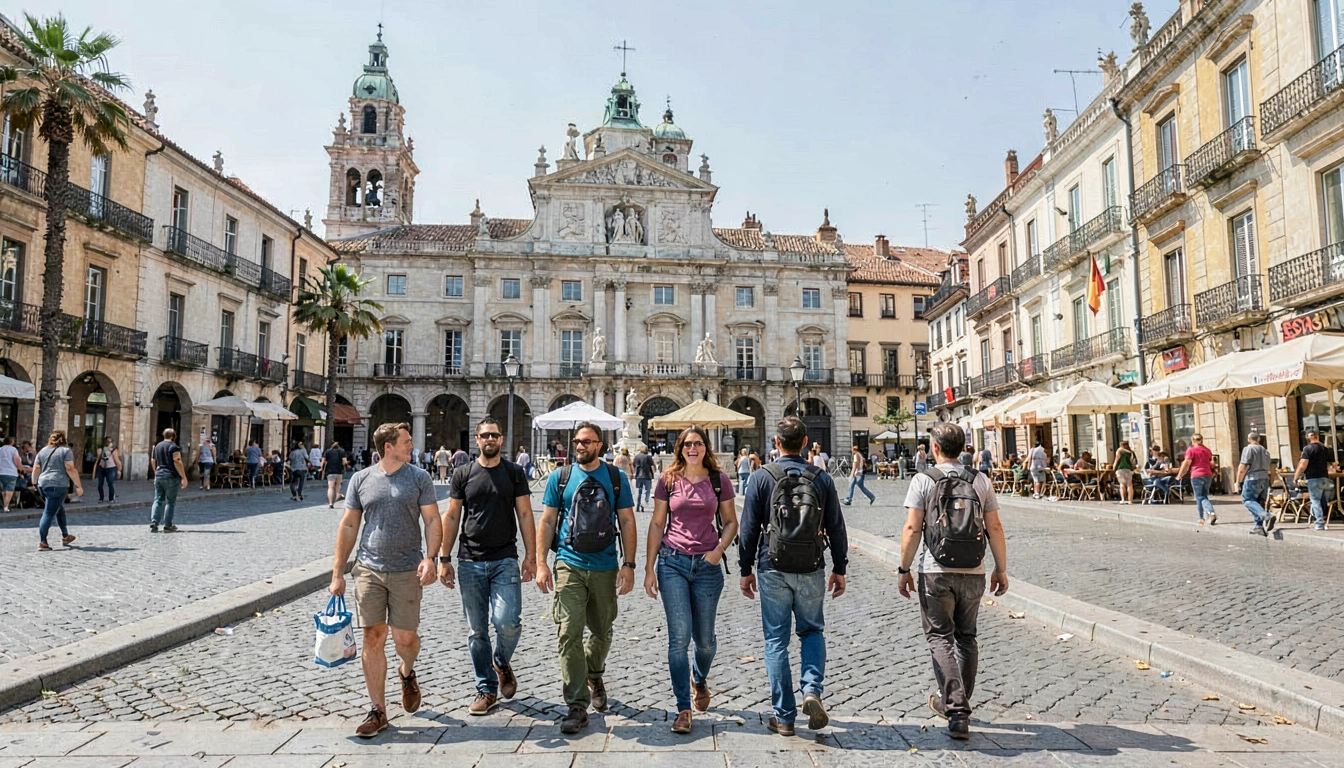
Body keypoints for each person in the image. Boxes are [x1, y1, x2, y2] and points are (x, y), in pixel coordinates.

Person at [329, 421, 442, 739]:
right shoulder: (362, 479)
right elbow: (349, 525)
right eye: (406, 441)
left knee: (405, 639)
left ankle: (407, 672)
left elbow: (432, 519)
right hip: (368, 570)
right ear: (388, 446)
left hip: (407, 569)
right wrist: (338, 572)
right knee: (373, 637)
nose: (412, 445)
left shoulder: (419, 478)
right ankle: (378, 710)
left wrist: (430, 557)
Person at [896, 422, 1008, 741]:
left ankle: (956, 708)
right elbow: (995, 528)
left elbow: (912, 529)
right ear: (963, 449)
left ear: (934, 448)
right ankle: (959, 702)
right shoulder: (980, 479)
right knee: (967, 637)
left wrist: (903, 569)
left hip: (935, 569)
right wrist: (1001, 568)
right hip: (974, 569)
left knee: (939, 637)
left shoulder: (923, 480)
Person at [738, 416, 848, 737]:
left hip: (772, 565)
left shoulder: (761, 477)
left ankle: (784, 717)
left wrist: (745, 570)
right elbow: (837, 527)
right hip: (812, 564)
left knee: (776, 640)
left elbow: (748, 529)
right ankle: (812, 690)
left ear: (776, 443)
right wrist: (839, 567)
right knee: (812, 631)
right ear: (804, 443)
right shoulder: (822, 478)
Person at [536, 421, 637, 735]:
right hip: (569, 563)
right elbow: (548, 520)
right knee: (569, 631)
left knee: (602, 629)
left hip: (606, 565)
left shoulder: (616, 478)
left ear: (600, 446)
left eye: (587, 442)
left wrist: (629, 564)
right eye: (577, 441)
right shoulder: (560, 477)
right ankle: (576, 705)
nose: (580, 446)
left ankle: (594, 671)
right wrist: (541, 562)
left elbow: (628, 521)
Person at [644, 426, 738, 734]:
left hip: (708, 567)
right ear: (680, 448)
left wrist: (719, 549)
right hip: (672, 563)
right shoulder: (668, 480)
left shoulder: (718, 480)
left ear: (705, 447)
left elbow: (730, 522)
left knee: (705, 642)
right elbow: (658, 524)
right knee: (678, 639)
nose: (692, 448)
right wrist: (648, 567)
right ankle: (683, 707)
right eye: (687, 444)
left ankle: (699, 678)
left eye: (697, 443)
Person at [440, 417, 536, 715]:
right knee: (476, 630)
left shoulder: (514, 472)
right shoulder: (463, 473)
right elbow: (453, 516)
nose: (490, 439)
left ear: (501, 438)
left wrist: (531, 555)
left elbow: (524, 513)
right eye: (484, 435)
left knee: (508, 622)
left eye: (494, 435)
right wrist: (443, 558)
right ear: (477, 440)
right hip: (469, 560)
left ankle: (501, 661)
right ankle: (486, 688)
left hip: (505, 558)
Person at [34, 430, 82, 550]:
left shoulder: (43, 451)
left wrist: (34, 483)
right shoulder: (65, 451)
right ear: (63, 439)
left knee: (59, 509)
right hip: (58, 485)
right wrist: (78, 486)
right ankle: (43, 541)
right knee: (49, 513)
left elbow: (36, 468)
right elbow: (70, 468)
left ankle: (66, 535)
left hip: (43, 484)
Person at [1236, 432, 1275, 536]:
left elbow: (1243, 466)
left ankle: (1267, 516)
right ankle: (1259, 527)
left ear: (1249, 439)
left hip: (1252, 478)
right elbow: (1271, 467)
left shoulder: (1248, 449)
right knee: (1258, 503)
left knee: (1248, 500)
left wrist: (1238, 481)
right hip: (1264, 478)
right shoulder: (1265, 451)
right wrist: (1271, 481)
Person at [1293, 430, 1332, 531]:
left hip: (1313, 478)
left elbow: (1302, 464)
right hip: (1325, 478)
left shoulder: (1308, 449)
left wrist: (1296, 477)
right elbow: (1331, 464)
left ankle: (1319, 523)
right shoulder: (1325, 449)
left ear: (1308, 438)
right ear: (1317, 436)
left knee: (1315, 501)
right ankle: (1323, 519)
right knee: (1323, 501)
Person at [149, 428, 187, 533]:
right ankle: (168, 525)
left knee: (158, 499)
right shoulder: (174, 447)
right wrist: (183, 476)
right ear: (174, 436)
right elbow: (177, 460)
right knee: (170, 502)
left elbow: (153, 460)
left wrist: (156, 472)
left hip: (159, 476)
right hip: (171, 476)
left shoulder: (157, 446)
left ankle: (154, 521)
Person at [1174, 434, 1216, 525]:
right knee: (1204, 495)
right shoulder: (1207, 450)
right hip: (1208, 474)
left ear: (1193, 440)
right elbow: (1211, 463)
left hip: (1196, 475)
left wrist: (1180, 474)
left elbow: (1186, 463)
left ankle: (1209, 513)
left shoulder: (1191, 450)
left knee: (1199, 497)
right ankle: (1204, 517)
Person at [322, 441, 349, 509]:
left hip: (330, 471)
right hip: (339, 471)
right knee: (338, 487)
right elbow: (344, 461)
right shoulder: (342, 451)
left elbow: (323, 462)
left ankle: (331, 503)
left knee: (330, 487)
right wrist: (345, 468)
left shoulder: (327, 451)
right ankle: (337, 496)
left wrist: (322, 470)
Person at [94, 437, 121, 503]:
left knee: (110, 483)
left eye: (111, 441)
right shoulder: (101, 449)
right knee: (100, 483)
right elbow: (98, 459)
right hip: (102, 468)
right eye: (109, 441)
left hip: (111, 468)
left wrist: (119, 470)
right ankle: (101, 497)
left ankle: (111, 498)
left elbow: (117, 461)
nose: (110, 443)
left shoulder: (114, 450)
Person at [0, 436, 20, 512]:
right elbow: (17, 461)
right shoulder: (13, 450)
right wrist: (20, 468)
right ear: (12, 442)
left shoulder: (0, 449)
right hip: (11, 472)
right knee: (9, 489)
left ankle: (4, 504)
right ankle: (6, 506)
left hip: (1, 471)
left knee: (3, 490)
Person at [633, 446, 655, 513]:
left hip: (638, 476)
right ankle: (645, 502)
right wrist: (654, 474)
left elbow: (634, 465)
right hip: (647, 475)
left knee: (639, 490)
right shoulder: (648, 457)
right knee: (647, 490)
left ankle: (638, 504)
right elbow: (652, 467)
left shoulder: (636, 457)